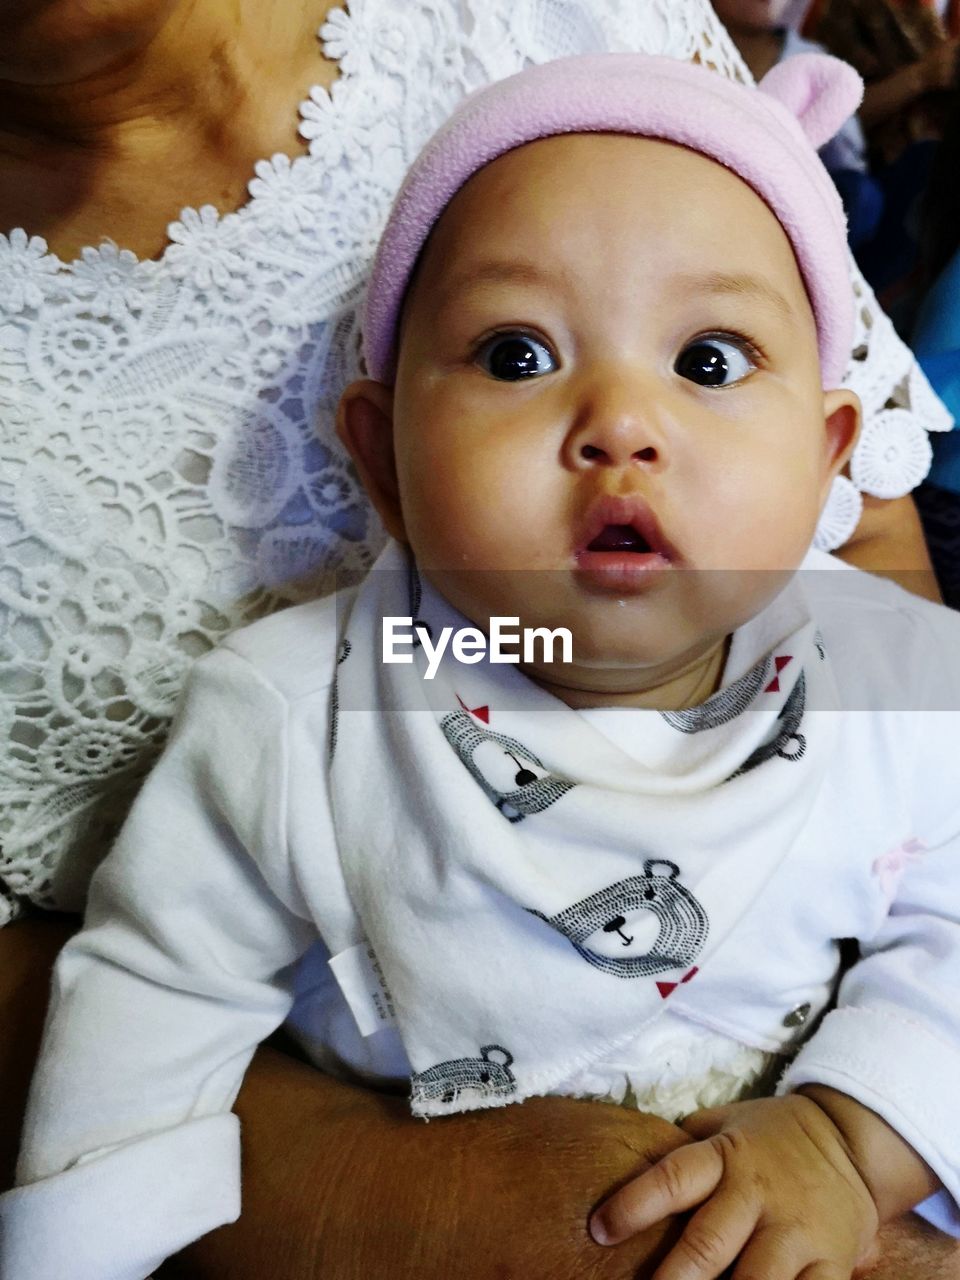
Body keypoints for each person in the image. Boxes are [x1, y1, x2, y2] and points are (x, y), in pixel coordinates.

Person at [0, 3, 953, 1278]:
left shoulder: (895, 678)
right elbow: (149, 1005)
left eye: (710, 360)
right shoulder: (294, 716)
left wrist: (850, 1135)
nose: (621, 422)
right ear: (380, 461)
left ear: (830, 456)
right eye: (518, 353)